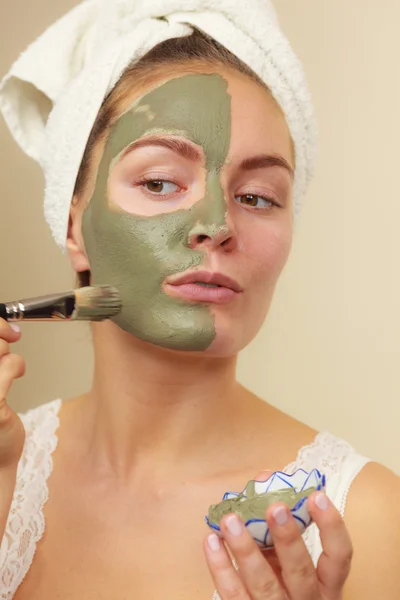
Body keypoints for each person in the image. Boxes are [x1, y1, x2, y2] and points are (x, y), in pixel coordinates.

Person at [0, 1, 399, 599]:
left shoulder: (363, 520)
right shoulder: (7, 465)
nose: (215, 224)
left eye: (259, 196)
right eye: (159, 182)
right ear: (72, 221)